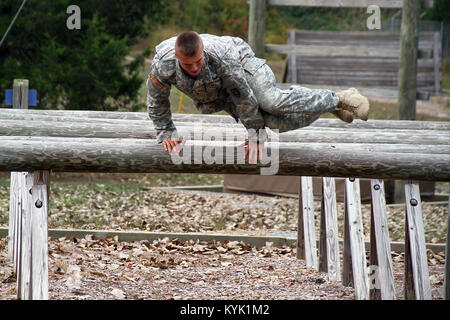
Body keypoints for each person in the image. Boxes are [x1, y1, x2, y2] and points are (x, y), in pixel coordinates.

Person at [147, 31, 369, 164]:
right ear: (177, 57)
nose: (195, 67)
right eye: (188, 64)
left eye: (198, 61)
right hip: (218, 91)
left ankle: (340, 98)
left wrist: (254, 135)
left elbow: (244, 97)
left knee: (272, 102)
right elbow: (157, 99)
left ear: (202, 50)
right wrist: (166, 131)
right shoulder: (162, 65)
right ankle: (327, 106)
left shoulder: (222, 58)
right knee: (275, 123)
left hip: (242, 63)